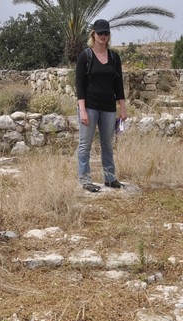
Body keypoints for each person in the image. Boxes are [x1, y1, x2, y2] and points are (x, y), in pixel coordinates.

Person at [75, 19, 127, 193]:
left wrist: (123, 107)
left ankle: (110, 178)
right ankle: (85, 179)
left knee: (107, 144)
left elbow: (118, 84)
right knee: (85, 144)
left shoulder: (114, 57)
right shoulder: (85, 56)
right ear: (93, 34)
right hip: (89, 106)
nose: (103, 36)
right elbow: (80, 85)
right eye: (100, 33)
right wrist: (82, 110)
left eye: (106, 33)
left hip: (108, 107)